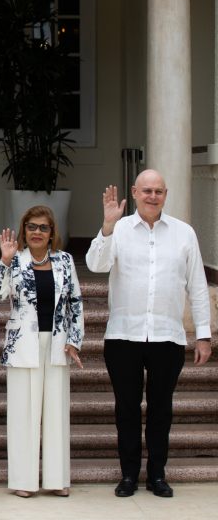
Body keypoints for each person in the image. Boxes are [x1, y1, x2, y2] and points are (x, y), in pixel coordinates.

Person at [86, 171, 212, 498]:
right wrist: (107, 227)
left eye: (158, 191)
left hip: (167, 337)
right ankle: (128, 475)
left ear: (165, 194)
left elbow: (197, 287)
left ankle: (157, 475)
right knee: (126, 409)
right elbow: (96, 264)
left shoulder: (184, 233)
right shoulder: (120, 229)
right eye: (146, 191)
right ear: (134, 192)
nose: (152, 196)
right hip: (123, 336)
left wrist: (203, 335)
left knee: (161, 410)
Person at [0, 205, 84, 498]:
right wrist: (4, 262)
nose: (37, 232)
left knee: (56, 414)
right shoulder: (14, 260)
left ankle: (57, 480)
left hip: (57, 345)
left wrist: (74, 339)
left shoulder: (65, 261)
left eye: (43, 227)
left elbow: (75, 303)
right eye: (32, 227)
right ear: (24, 230)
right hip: (23, 346)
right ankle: (23, 481)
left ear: (52, 232)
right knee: (22, 415)